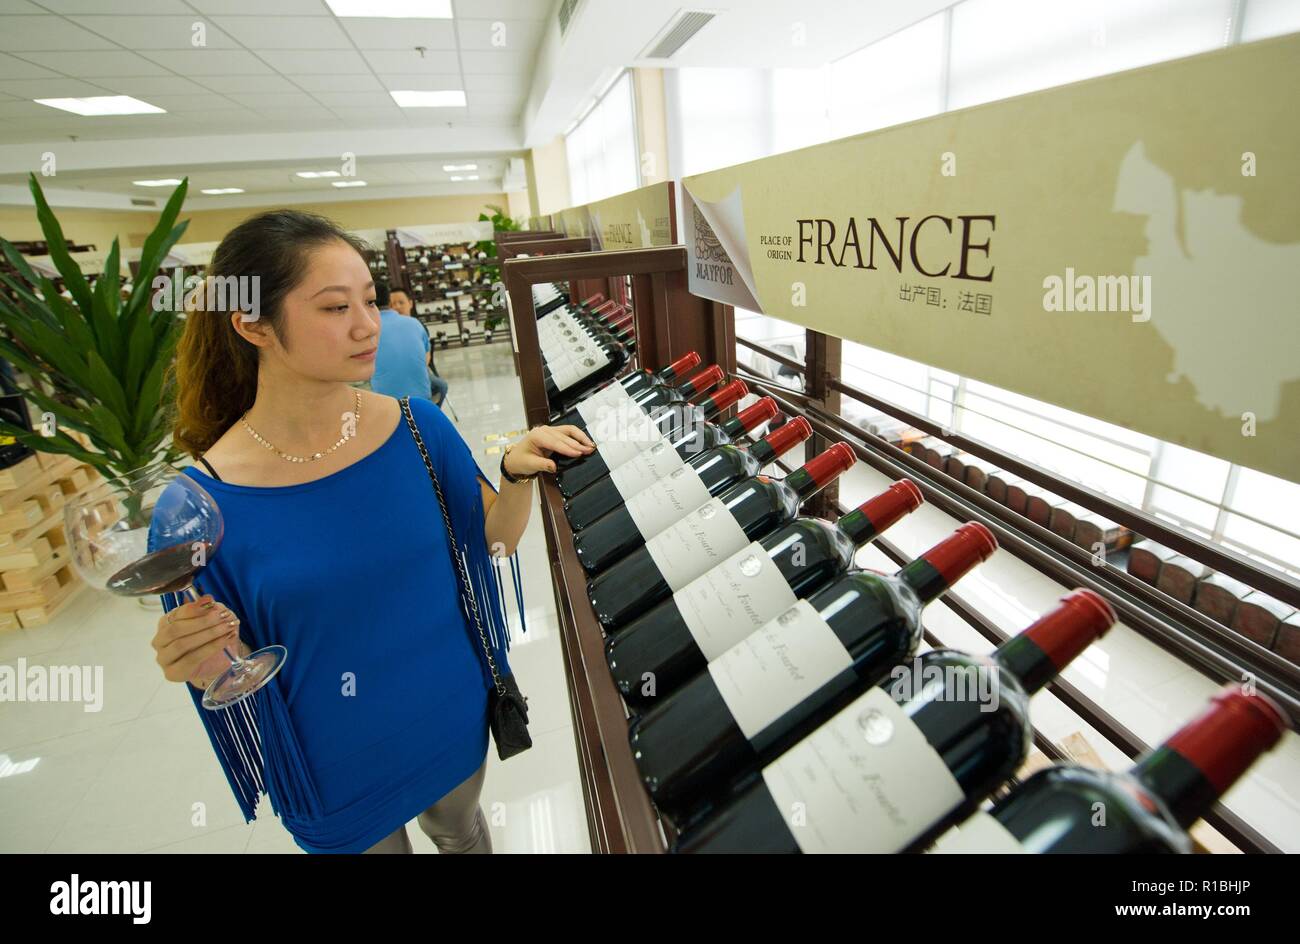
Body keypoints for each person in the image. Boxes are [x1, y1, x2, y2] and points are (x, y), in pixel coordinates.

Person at [149, 209, 595, 854]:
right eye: (334, 308)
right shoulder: (197, 507)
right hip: (330, 750)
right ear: (252, 324)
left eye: (369, 300)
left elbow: (493, 543)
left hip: (450, 704)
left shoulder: (417, 428)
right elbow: (227, 662)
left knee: (463, 833)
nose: (368, 326)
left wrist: (517, 471)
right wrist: (193, 659)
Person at [369, 281, 436, 403]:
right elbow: (426, 357)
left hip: (387, 402)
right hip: (422, 399)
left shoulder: (369, 330)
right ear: (389, 302)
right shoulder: (416, 324)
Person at [391, 287, 449, 406]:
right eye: (392, 304)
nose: (396, 307)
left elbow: (426, 355)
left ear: (410, 303)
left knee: (440, 386)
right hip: (393, 373)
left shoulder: (418, 326)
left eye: (401, 302)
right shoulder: (385, 328)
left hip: (417, 371)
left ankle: (432, 414)